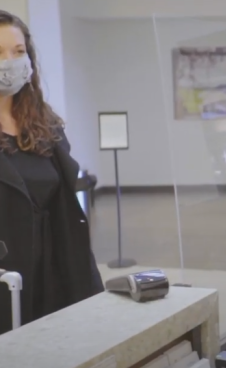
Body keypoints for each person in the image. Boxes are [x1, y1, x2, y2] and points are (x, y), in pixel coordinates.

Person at [0, 10, 103, 335]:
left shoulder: (43, 121)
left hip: (56, 265)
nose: (11, 62)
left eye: (18, 52)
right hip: (9, 276)